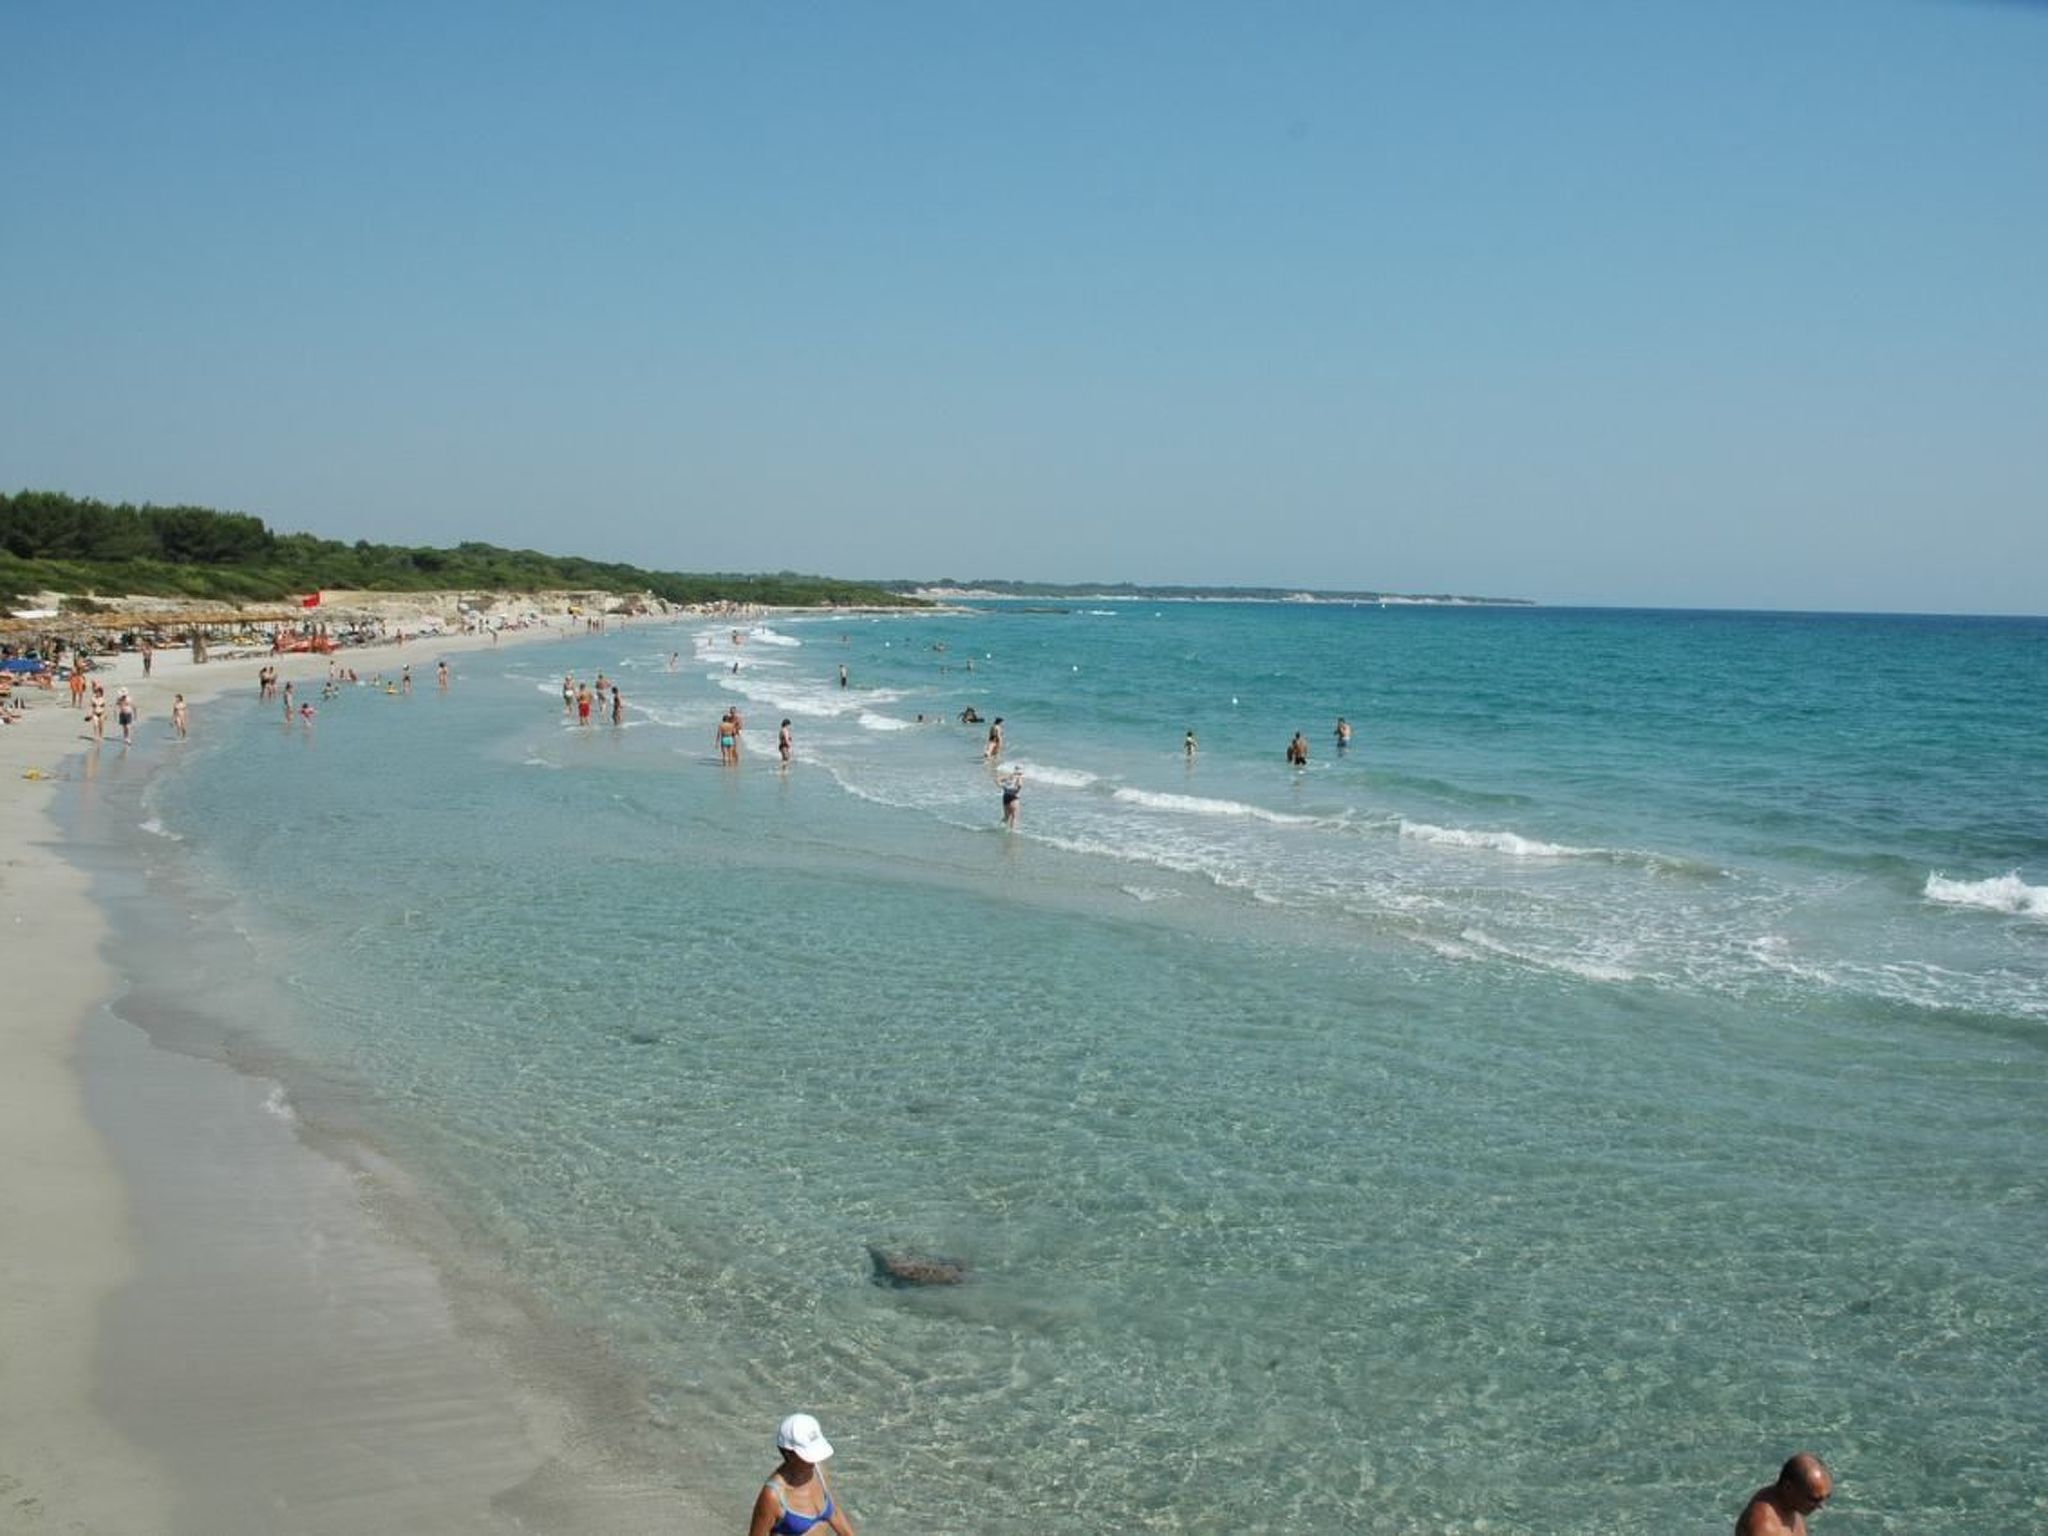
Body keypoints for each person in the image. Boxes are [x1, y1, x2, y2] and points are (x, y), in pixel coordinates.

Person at [748, 1413, 855, 1536]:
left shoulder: (819, 1470)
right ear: (789, 1453)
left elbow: (834, 1513)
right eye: (809, 1454)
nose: (814, 1459)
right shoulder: (773, 1496)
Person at [1736, 1453, 1832, 1535]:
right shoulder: (1764, 1526)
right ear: (1788, 1487)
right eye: (1814, 1499)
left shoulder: (1792, 1505)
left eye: (1826, 1497)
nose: (1821, 1506)